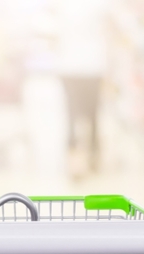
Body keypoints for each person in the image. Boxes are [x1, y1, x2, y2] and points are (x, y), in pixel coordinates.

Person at [55, 0, 108, 172]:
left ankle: (77, 159)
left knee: (73, 114)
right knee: (92, 115)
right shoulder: (100, 5)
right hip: (92, 65)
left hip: (71, 65)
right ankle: (92, 156)